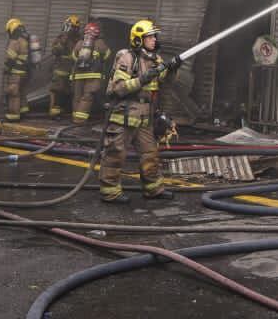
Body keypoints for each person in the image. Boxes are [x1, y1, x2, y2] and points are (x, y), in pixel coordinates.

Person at [98, 19, 180, 203]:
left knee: (150, 154)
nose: (154, 40)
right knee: (115, 154)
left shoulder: (156, 60)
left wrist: (173, 69)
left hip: (145, 117)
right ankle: (110, 192)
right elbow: (118, 88)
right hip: (123, 116)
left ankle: (154, 189)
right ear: (138, 40)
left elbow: (166, 82)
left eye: (154, 36)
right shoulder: (126, 57)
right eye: (149, 37)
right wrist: (142, 79)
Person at [70, 19, 111, 124]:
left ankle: (75, 117)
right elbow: (107, 55)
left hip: (78, 74)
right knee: (87, 97)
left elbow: (74, 56)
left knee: (77, 96)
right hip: (93, 75)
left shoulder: (79, 42)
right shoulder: (100, 42)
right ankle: (79, 120)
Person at [47, 15, 83, 120]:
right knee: (56, 90)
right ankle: (54, 113)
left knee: (66, 92)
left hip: (71, 70)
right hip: (60, 69)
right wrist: (62, 42)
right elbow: (55, 51)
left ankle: (61, 111)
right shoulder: (62, 37)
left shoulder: (78, 39)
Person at [3, 18, 31, 122]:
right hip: (25, 72)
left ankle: (13, 116)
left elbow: (10, 58)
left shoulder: (15, 41)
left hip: (16, 73)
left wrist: (6, 69)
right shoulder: (26, 40)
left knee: (13, 94)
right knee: (22, 93)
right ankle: (23, 112)